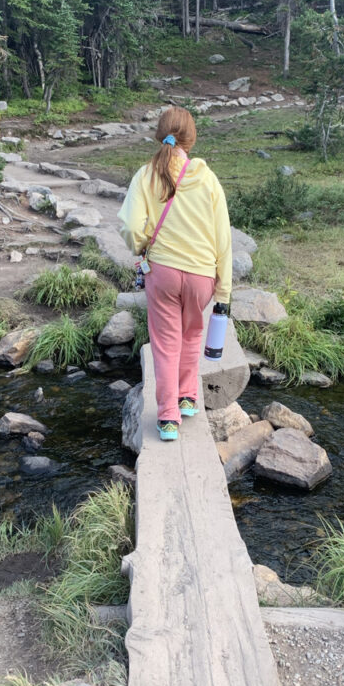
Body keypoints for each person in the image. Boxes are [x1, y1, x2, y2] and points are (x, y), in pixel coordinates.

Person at [118, 106, 232, 441]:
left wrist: (141, 246)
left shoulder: (146, 174)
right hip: (202, 276)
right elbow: (223, 239)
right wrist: (223, 290)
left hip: (163, 273)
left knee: (165, 343)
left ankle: (168, 418)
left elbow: (128, 225)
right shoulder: (207, 179)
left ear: (160, 134)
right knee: (193, 335)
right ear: (191, 139)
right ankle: (188, 398)